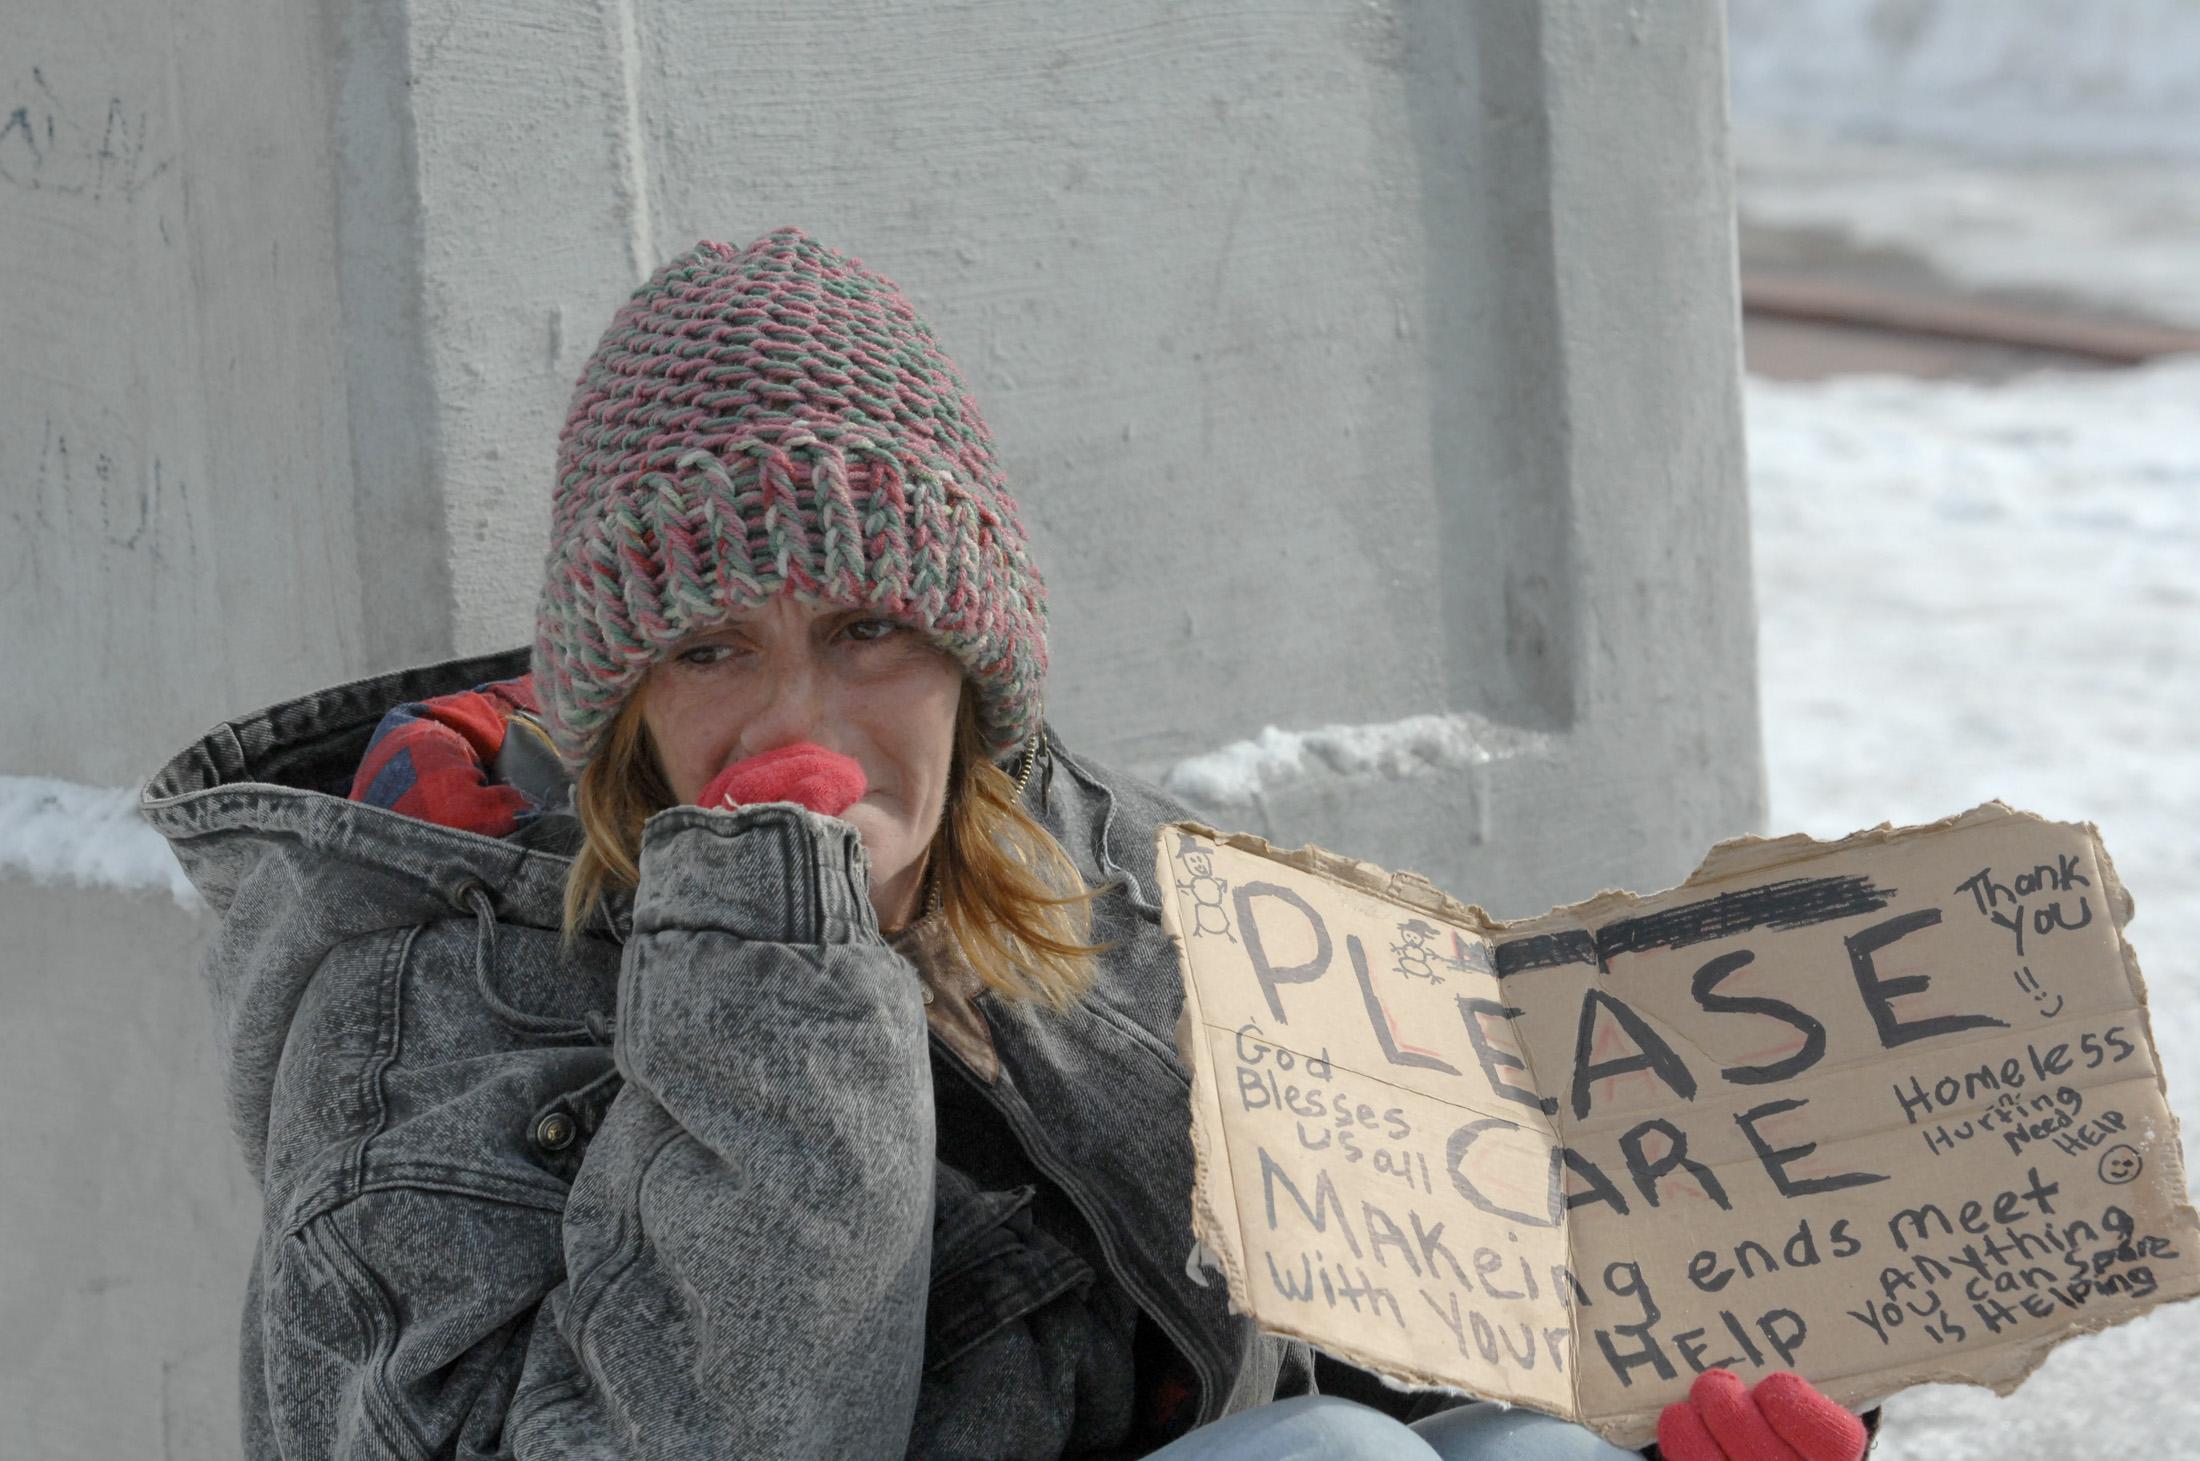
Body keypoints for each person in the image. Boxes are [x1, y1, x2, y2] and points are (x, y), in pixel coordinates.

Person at [144, 229, 1871, 1459]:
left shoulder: (1085, 876)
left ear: (975, 670)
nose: (796, 721)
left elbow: (1413, 1305)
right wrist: (772, 964)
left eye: (870, 632)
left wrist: (1695, 1405)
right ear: (622, 704)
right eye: (710, 646)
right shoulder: (429, 1016)